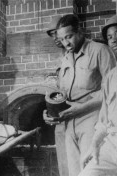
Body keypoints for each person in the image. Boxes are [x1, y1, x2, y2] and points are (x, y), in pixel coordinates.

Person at [44, 14, 116, 176]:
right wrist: (51, 112)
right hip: (69, 123)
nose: (66, 43)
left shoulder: (100, 51)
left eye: (69, 37)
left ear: (80, 31)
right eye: (62, 39)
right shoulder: (66, 58)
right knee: (74, 172)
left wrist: (80, 108)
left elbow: (112, 91)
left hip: (93, 120)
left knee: (92, 170)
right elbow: (62, 94)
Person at [79, 14, 117, 176]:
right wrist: (93, 145)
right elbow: (104, 119)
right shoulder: (110, 77)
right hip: (111, 143)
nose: (114, 40)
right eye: (109, 37)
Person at [43, 16, 69, 176]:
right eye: (52, 35)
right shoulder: (64, 58)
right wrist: (50, 111)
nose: (55, 38)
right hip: (63, 121)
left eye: (57, 33)